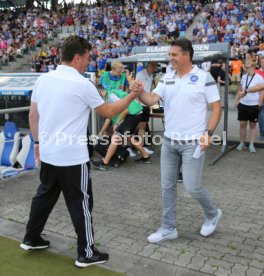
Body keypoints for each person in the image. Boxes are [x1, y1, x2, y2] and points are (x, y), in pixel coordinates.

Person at [20, 35, 142, 268]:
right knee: (81, 203)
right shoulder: (82, 83)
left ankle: (31, 237)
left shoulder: (43, 80)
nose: (89, 62)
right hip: (72, 157)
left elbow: (32, 116)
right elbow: (109, 111)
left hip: (48, 153)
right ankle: (86, 252)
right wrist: (134, 94)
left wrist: (37, 143)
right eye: (87, 58)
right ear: (77, 58)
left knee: (44, 196)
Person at [130, 38, 222, 243]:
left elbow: (217, 108)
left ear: (186, 55)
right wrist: (139, 92)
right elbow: (151, 100)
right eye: (169, 55)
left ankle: (213, 213)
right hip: (169, 142)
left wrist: (208, 132)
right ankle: (169, 228)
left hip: (193, 143)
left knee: (191, 186)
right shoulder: (167, 78)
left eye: (173, 55)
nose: (169, 58)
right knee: (167, 186)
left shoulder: (203, 77)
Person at [93, 85, 151, 170]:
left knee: (115, 137)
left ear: (99, 92)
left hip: (132, 114)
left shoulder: (110, 96)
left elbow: (125, 109)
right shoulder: (110, 95)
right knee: (128, 136)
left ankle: (104, 163)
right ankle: (145, 156)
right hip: (136, 113)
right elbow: (110, 116)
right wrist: (102, 130)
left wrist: (117, 123)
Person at [234, 60, 263, 152]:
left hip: (254, 105)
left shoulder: (259, 78)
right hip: (243, 104)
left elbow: (262, 91)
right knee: (242, 125)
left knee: (253, 125)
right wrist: (236, 100)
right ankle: (242, 143)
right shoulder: (243, 77)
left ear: (254, 67)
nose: (246, 68)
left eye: (248, 67)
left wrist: (259, 104)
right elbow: (241, 89)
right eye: (245, 67)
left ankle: (251, 144)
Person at [136, 62, 157, 154]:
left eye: (155, 65)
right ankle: (133, 146)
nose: (154, 67)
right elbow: (136, 89)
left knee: (143, 126)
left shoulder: (151, 75)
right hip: (140, 104)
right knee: (138, 126)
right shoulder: (140, 74)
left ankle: (141, 146)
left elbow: (148, 89)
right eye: (153, 65)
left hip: (146, 104)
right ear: (148, 65)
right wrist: (138, 104)